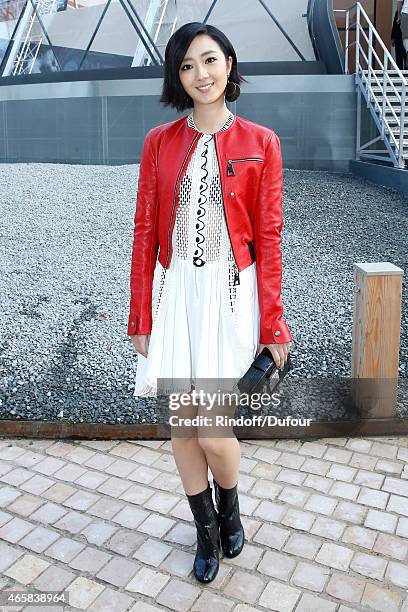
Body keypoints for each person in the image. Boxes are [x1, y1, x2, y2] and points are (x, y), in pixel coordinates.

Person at [127, 22, 293, 583]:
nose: (201, 74)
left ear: (229, 63)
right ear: (178, 77)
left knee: (212, 431)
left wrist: (275, 326)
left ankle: (231, 505)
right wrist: (141, 315)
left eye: (210, 60)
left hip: (230, 298)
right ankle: (206, 532)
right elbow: (144, 232)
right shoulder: (159, 143)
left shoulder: (261, 142)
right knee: (182, 426)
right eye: (188, 66)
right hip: (179, 300)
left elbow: (269, 240)